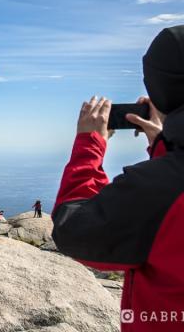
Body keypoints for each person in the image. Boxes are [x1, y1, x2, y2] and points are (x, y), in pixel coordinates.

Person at [52, 25, 184, 331]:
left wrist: (89, 145)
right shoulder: (165, 183)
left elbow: (75, 231)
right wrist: (167, 148)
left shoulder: (157, 190)